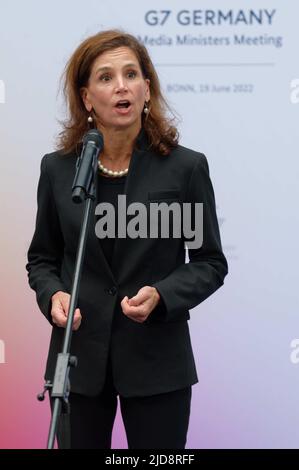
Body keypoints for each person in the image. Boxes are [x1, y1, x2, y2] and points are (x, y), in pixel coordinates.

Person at [26, 30, 228, 449]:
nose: (121, 85)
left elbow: (210, 262)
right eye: (105, 77)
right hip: (78, 361)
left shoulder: (185, 168)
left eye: (131, 74)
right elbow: (43, 259)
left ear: (146, 89)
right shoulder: (58, 170)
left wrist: (163, 294)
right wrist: (54, 296)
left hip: (157, 361)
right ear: (86, 98)